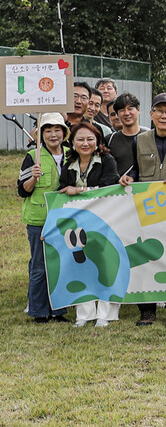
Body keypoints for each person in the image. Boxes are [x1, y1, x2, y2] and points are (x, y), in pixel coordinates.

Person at [119, 93, 166, 327]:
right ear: (151, 115)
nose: (164, 116)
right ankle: (147, 309)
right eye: (159, 111)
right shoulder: (139, 140)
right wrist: (128, 177)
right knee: (146, 258)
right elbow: (136, 169)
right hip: (147, 210)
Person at [57, 121, 121, 327]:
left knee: (104, 265)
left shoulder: (107, 160)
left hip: (104, 220)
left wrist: (79, 191)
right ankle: (83, 314)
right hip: (77, 224)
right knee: (80, 265)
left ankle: (105, 313)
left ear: (98, 141)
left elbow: (108, 189)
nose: (85, 143)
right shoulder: (68, 165)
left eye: (90, 139)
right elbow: (61, 192)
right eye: (80, 139)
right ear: (72, 142)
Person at [18, 113, 71, 323]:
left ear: (64, 132)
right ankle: (39, 311)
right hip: (39, 220)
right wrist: (33, 177)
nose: (53, 134)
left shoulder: (71, 153)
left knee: (61, 264)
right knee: (40, 266)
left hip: (64, 219)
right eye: (47, 130)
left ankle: (58, 310)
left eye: (57, 129)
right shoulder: (33, 155)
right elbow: (22, 190)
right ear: (41, 134)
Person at [106, 92, 147, 176]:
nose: (127, 113)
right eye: (122, 110)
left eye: (130, 108)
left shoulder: (149, 137)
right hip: (118, 187)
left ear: (138, 110)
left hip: (145, 187)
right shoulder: (109, 140)